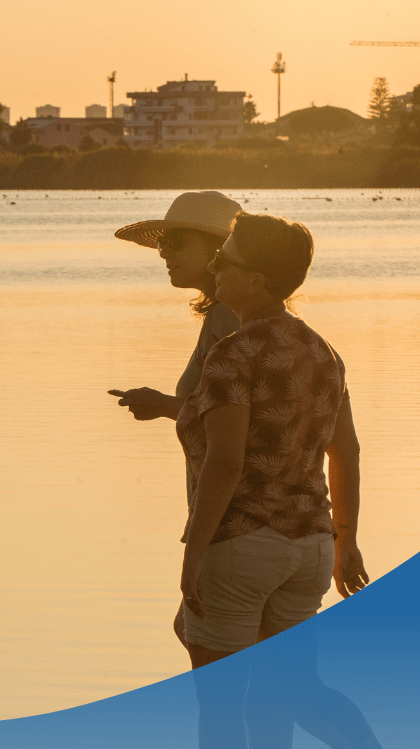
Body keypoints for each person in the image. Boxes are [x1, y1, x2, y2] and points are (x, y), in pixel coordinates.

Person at [163, 212, 420, 749]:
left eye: (227, 259)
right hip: (306, 548)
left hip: (241, 545)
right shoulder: (322, 351)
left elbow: (225, 463)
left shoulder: (232, 354)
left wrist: (193, 548)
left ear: (258, 281)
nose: (217, 268)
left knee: (219, 699)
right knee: (299, 689)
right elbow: (344, 447)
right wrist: (344, 540)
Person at [108, 192, 244, 654]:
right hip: (267, 520)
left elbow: (237, 426)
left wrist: (163, 406)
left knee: (202, 646)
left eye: (177, 241)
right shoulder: (223, 314)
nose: (164, 253)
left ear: (216, 249)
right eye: (162, 243)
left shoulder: (228, 317)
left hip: (235, 517)